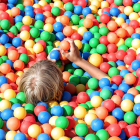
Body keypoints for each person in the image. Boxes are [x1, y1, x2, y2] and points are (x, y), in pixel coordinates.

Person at [19, 38, 107, 105]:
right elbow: (106, 81)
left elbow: (39, 79)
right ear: (58, 92)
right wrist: (78, 60)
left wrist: (48, 63)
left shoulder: (29, 100)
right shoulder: (71, 105)